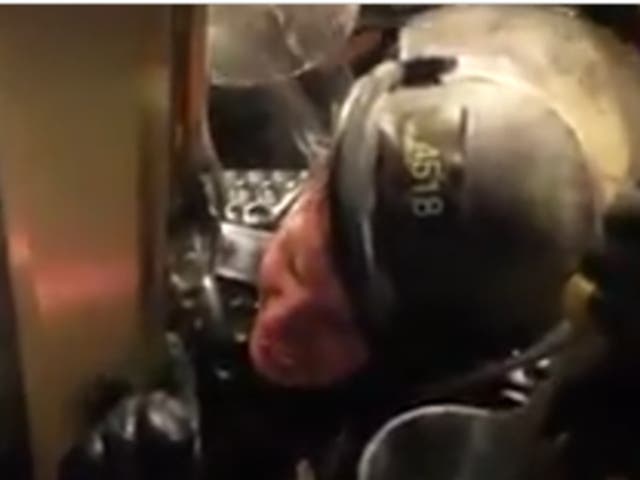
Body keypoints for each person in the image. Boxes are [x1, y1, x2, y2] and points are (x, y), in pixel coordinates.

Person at [59, 6, 640, 480]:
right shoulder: (224, 234)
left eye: (335, 327)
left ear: (429, 364)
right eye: (290, 263)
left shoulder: (482, 438)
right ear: (310, 182)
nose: (279, 327)